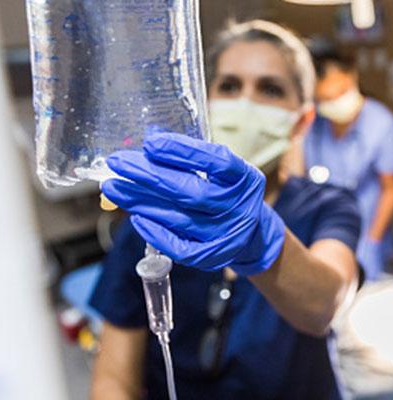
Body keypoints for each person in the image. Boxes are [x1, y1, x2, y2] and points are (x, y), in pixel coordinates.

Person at [89, 20, 361, 399]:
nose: (244, 103)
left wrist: (260, 238)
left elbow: (325, 304)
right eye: (229, 86)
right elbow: (114, 378)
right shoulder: (157, 219)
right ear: (205, 104)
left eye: (270, 89)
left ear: (302, 119)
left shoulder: (326, 205)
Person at [304, 48, 393, 280]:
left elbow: (390, 190)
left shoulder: (381, 126)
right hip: (321, 232)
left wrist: (372, 242)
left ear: (352, 77)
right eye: (326, 99)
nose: (336, 102)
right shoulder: (313, 126)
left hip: (366, 232)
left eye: (341, 92)